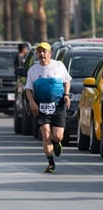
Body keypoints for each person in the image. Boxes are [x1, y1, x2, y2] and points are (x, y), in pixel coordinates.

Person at [24, 42, 71, 173]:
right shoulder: (33, 70)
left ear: (50, 53)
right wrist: (32, 103)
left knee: (58, 136)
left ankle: (57, 142)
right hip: (41, 107)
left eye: (44, 51)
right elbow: (28, 88)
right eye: (39, 52)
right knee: (46, 134)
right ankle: (51, 163)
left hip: (58, 106)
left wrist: (66, 95)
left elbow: (67, 80)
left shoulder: (59, 66)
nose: (42, 54)